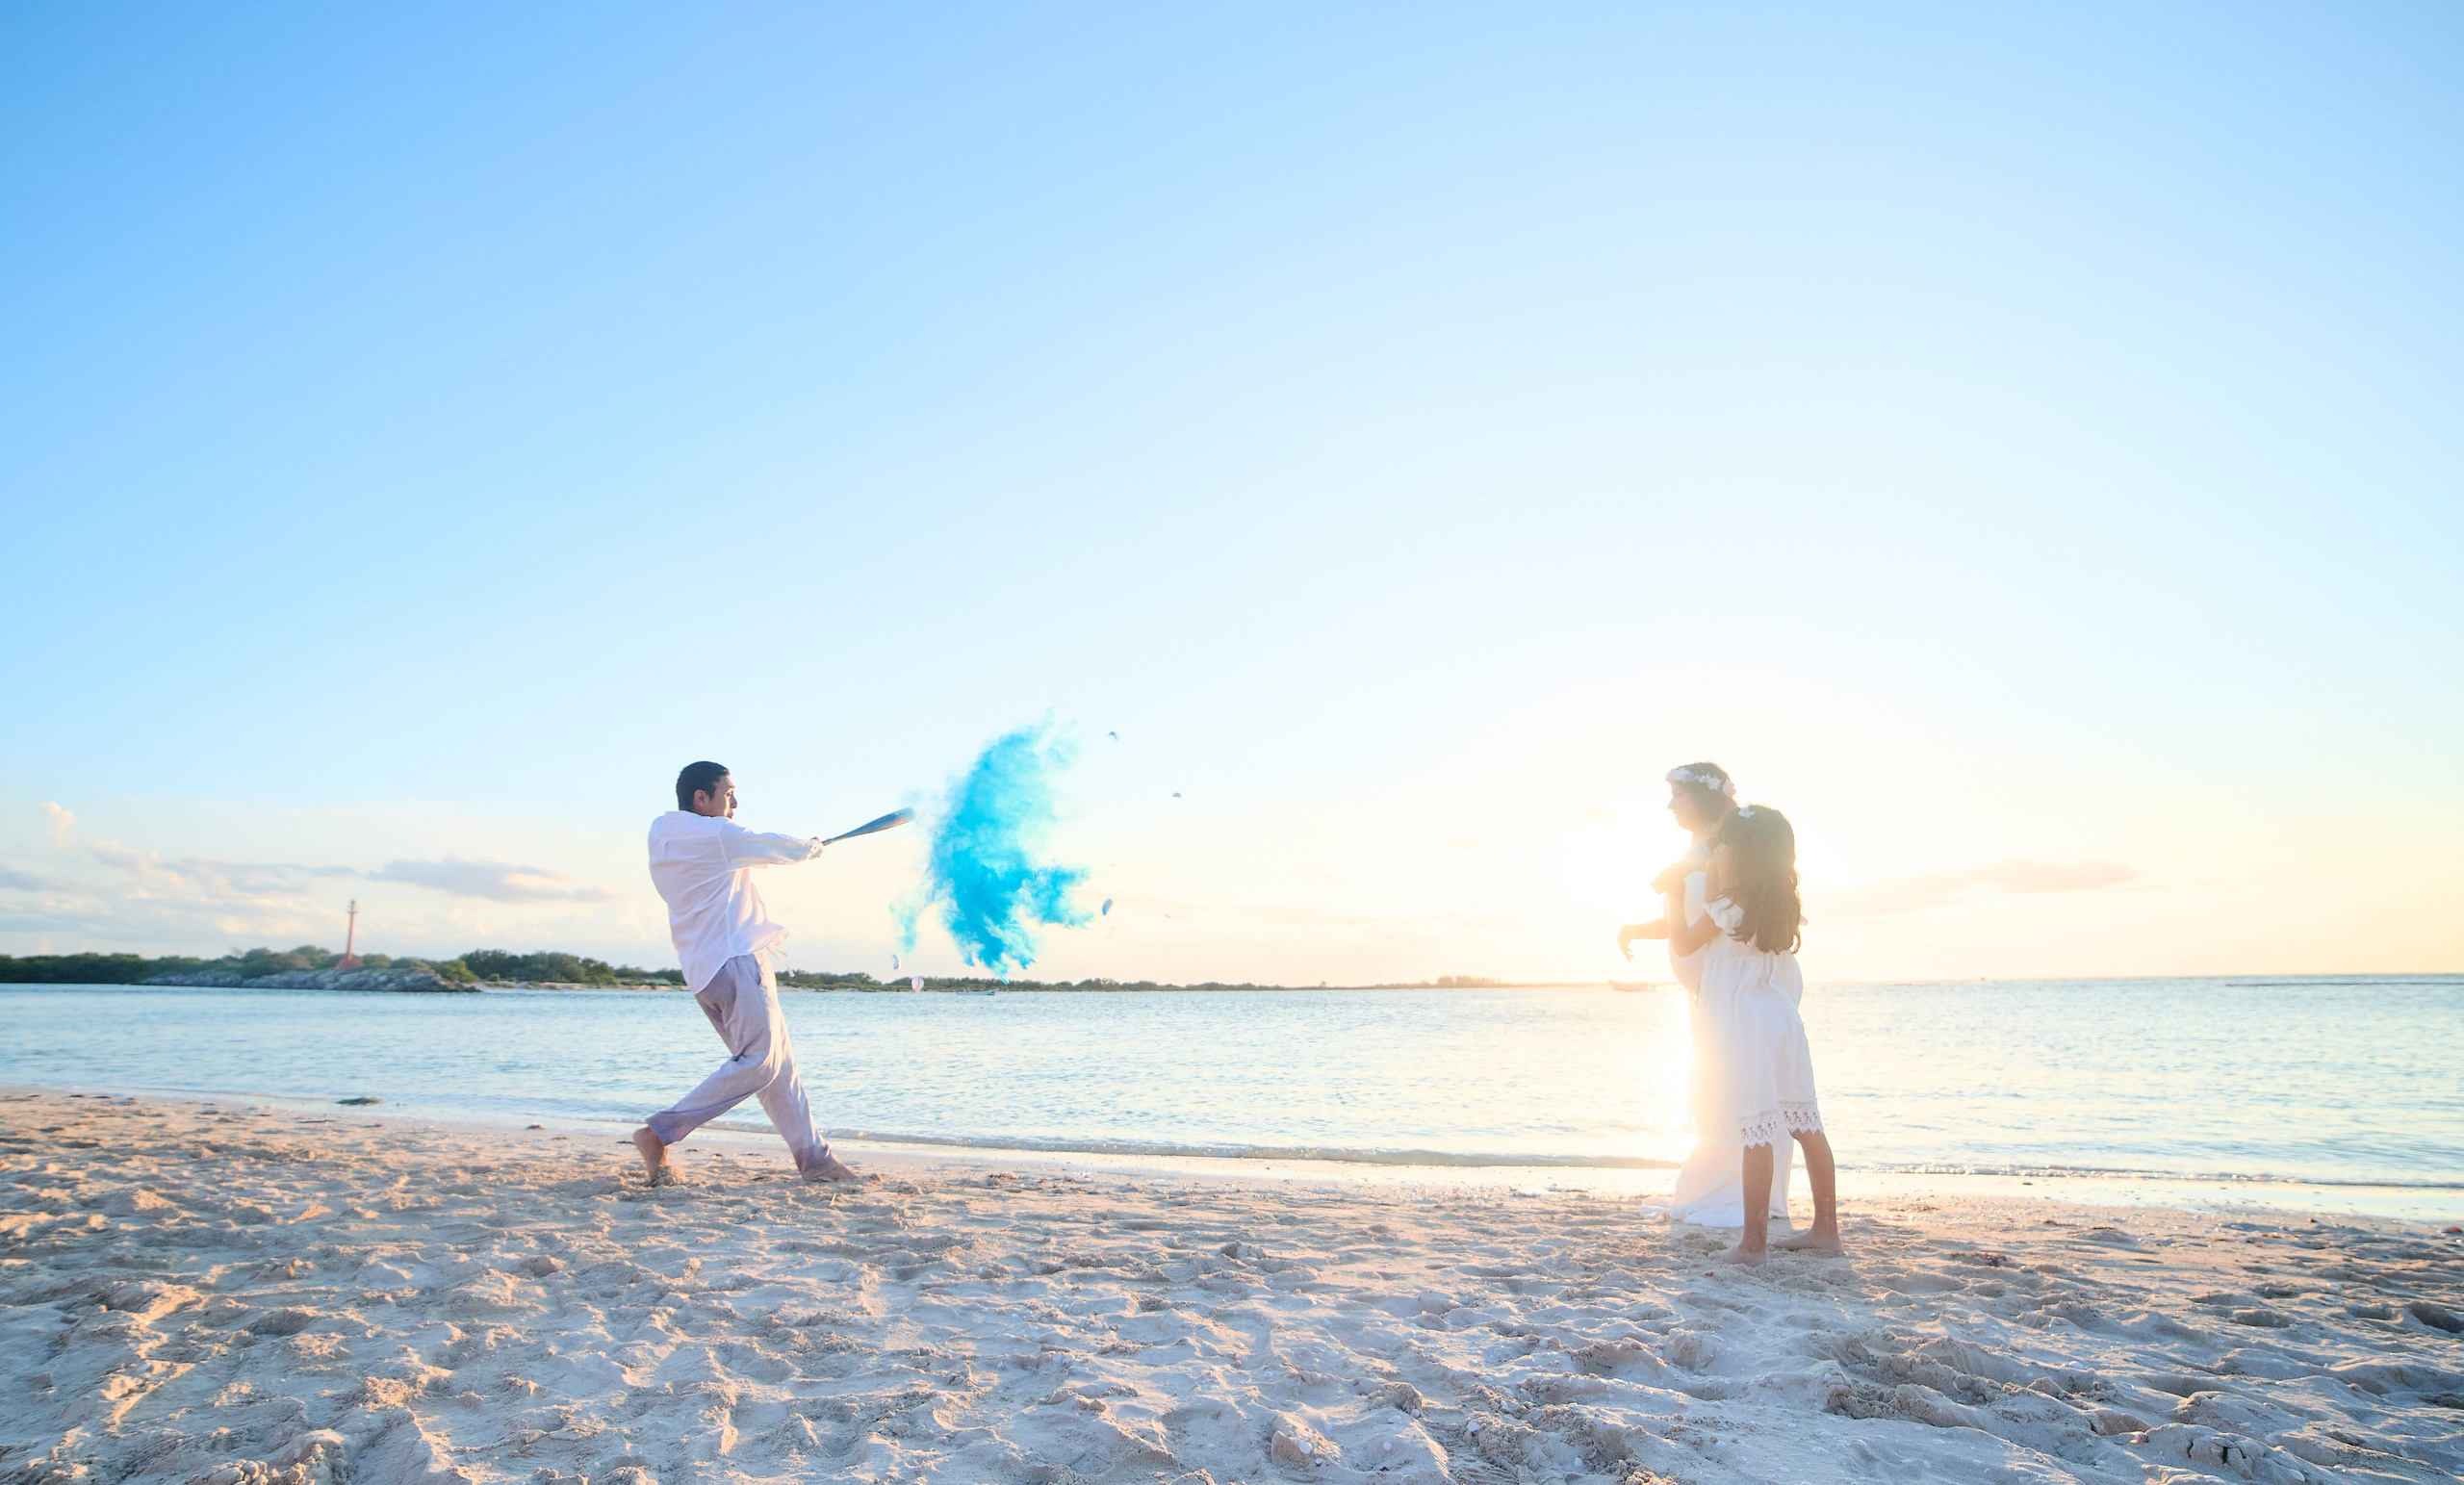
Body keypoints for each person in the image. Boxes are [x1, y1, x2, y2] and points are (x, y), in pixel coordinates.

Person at [630, 761, 858, 1186]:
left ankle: (816, 1159)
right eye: (728, 792)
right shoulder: (716, 835)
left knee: (777, 1066)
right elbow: (770, 845)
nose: (735, 802)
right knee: (761, 1064)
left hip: (704, 972)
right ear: (702, 798)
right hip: (734, 962)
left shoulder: (663, 833)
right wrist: (812, 846)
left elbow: (750, 848)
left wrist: (798, 847)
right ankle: (659, 1132)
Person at [1617, 763, 1793, 1229]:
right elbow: (1704, 918)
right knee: (1723, 1088)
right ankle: (1730, 1187)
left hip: (1739, 986)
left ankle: (1742, 1196)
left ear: (1704, 796)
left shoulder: (1732, 841)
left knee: (1744, 1089)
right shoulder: (1701, 846)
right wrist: (1640, 927)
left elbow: (1716, 920)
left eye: (1678, 794)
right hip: (1716, 987)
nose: (1671, 804)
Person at [1665, 804, 1840, 1264]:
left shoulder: (1729, 904)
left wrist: (1671, 896)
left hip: (1747, 1021)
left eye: (1726, 845)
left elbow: (1683, 942)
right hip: (1780, 1016)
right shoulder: (1778, 901)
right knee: (1806, 1124)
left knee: (1756, 1129)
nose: (1718, 851)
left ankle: (1753, 1245)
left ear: (1743, 853)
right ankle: (1826, 1230)